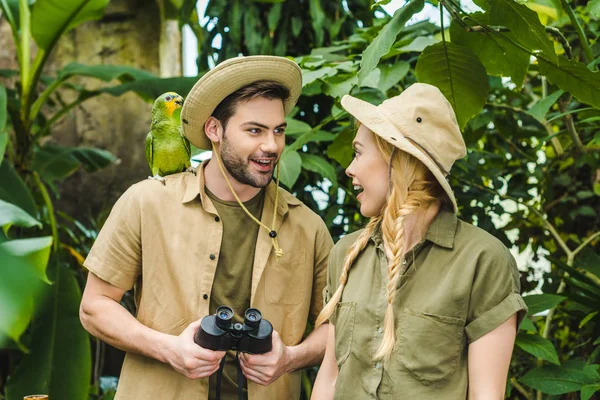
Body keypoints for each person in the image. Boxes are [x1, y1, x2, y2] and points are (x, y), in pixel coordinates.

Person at [79, 55, 333, 400]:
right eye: (254, 130)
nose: (271, 146)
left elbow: (334, 326)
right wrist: (169, 348)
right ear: (214, 130)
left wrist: (291, 358)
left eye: (279, 131)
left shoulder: (308, 226)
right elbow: (94, 306)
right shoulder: (146, 203)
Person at [311, 83, 528, 399]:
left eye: (358, 153)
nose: (349, 169)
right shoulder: (345, 253)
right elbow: (329, 381)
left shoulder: (483, 261)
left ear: (398, 159)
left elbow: (486, 395)